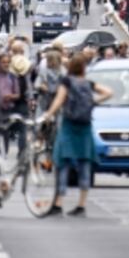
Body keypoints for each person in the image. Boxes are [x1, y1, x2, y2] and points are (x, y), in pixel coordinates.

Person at [42, 56, 113, 217]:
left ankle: (58, 203)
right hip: (85, 127)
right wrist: (93, 101)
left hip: (69, 125)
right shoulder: (88, 84)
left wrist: (48, 115)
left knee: (63, 163)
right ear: (83, 68)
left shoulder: (67, 82)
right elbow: (109, 92)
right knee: (84, 164)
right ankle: (81, 204)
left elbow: (59, 100)